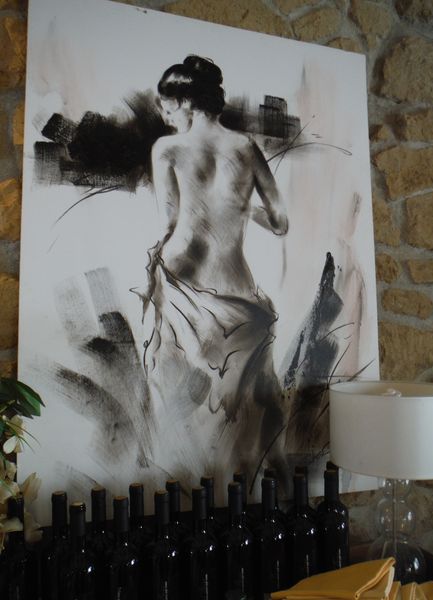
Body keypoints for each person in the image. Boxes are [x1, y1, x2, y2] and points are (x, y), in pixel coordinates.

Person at [138, 55, 289, 491]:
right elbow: (281, 222)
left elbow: (169, 222)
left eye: (168, 105)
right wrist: (243, 209)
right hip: (237, 290)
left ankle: (187, 495)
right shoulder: (245, 147)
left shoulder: (166, 149)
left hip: (183, 284)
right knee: (245, 404)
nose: (165, 114)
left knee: (179, 396)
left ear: (186, 101)